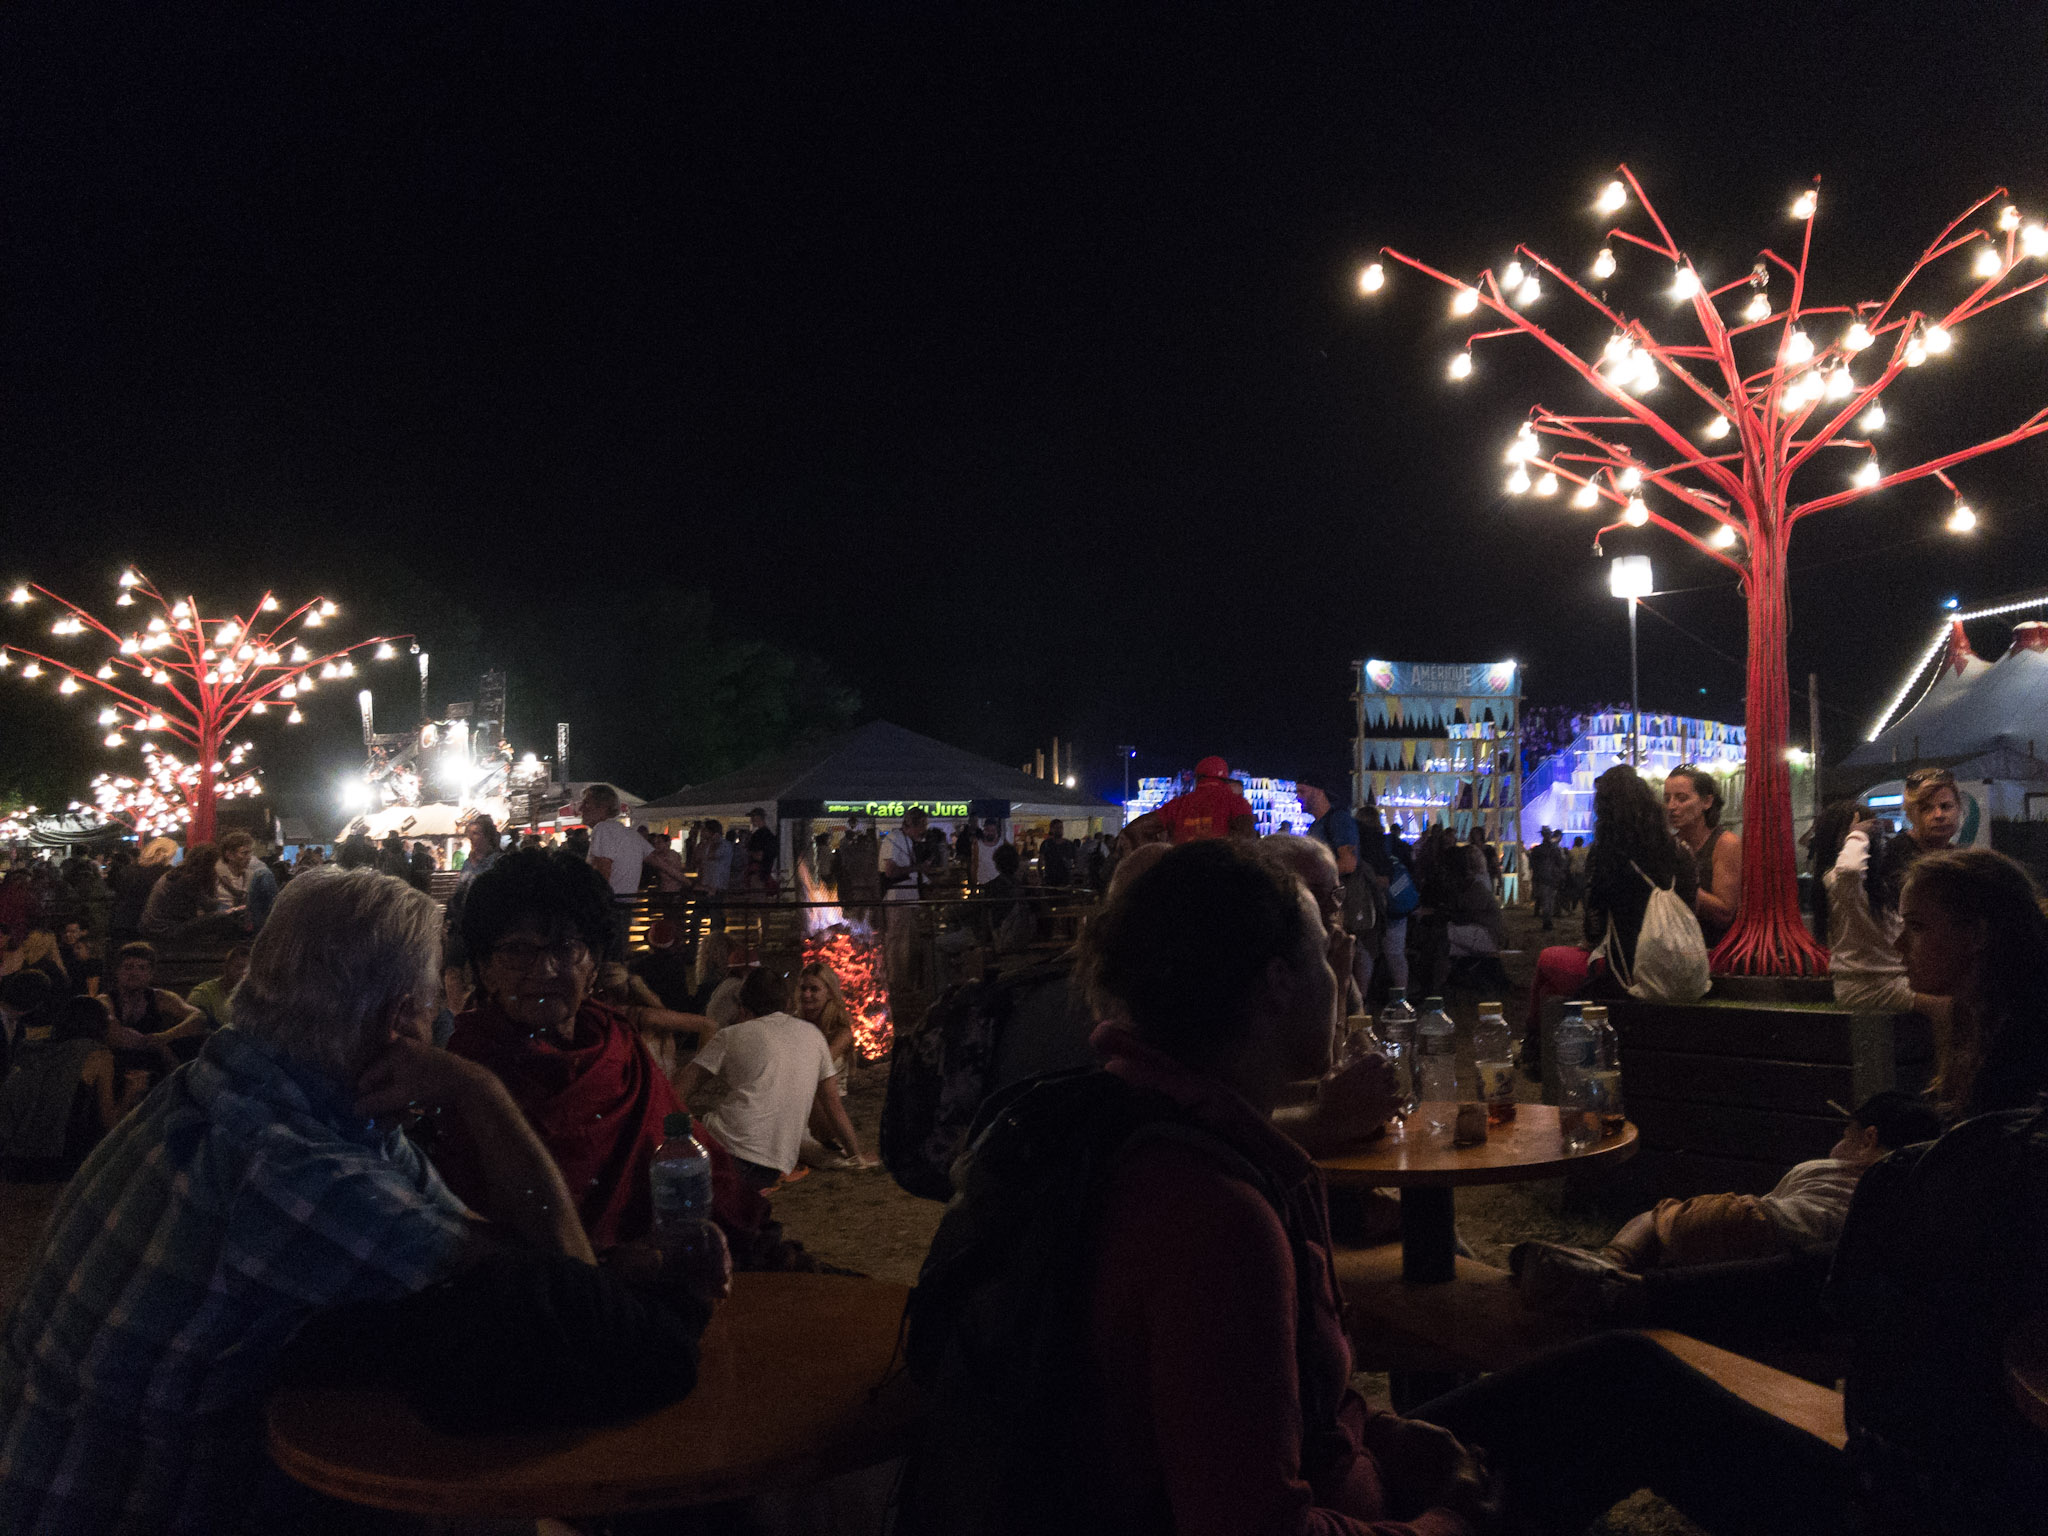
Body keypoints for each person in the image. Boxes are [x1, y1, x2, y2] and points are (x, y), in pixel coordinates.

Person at [908, 840, 1843, 1535]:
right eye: (1325, 951)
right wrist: (1448, 1527)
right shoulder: (1207, 1215)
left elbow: (1284, 1418)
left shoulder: (1126, 1119)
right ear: (1275, 984)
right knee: (1633, 1396)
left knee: (1627, 1378)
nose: (1345, 968)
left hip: (1341, 1474)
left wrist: (1389, 1437)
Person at [0, 868, 616, 1534]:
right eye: (441, 989)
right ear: (400, 1016)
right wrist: (481, 1092)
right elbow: (577, 1307)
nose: (448, 1007)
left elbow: (492, 1252)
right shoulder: (295, 1170)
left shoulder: (240, 1081)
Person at [440, 850, 796, 1266]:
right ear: (485, 968)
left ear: (593, 966)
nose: (545, 969)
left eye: (565, 948)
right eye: (518, 950)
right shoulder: (467, 1067)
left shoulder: (617, 1045)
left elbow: (692, 1157)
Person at [1511, 1090, 1943, 1314]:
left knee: (1656, 1215)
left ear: (1869, 1138)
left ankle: (1606, 1264)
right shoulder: (1905, 1194)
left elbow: (1775, 1199)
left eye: (1846, 1134)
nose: (1837, 1143)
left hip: (1753, 1218)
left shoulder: (1834, 1170)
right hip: (1791, 1262)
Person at [1524, 766, 1697, 1057]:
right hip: (1682, 963)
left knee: (1548, 961)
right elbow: (1691, 908)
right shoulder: (1681, 851)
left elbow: (1594, 928)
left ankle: (1536, 1050)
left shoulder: (1608, 854)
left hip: (1629, 972)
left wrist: (1594, 943)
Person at [677, 967, 874, 1189]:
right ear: (788, 1002)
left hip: (728, 1153)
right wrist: (856, 1155)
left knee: (684, 1126)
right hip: (773, 1166)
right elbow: (833, 1103)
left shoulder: (729, 1036)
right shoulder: (813, 1035)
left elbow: (680, 1089)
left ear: (742, 1008)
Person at [1895, 847, 2048, 1119]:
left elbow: (1994, 1150)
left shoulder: (2025, 1036)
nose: (1899, 944)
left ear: (1977, 933)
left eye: (1916, 926)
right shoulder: (1986, 1012)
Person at [1813, 801, 1941, 1017]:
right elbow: (1850, 870)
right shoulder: (1836, 880)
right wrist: (1856, 835)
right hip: (1870, 986)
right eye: (1864, 830)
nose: (1871, 835)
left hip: (1885, 981)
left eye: (1871, 830)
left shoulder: (1872, 886)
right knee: (1948, 1009)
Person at [102, 940, 207, 1085]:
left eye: (142, 968)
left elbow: (198, 1016)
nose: (134, 973)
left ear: (150, 973)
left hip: (154, 1066)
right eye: (128, 967)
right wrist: (159, 1047)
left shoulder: (160, 998)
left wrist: (165, 1037)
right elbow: (113, 1032)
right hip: (117, 1066)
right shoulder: (106, 1001)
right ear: (118, 971)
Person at [1868, 765, 1963, 914]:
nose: (1939, 815)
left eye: (1946, 806)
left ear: (1959, 808)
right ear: (1910, 815)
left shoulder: (1959, 858)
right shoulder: (1892, 857)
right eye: (1926, 809)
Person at [1666, 765, 1740, 946]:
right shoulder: (1669, 845)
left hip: (1714, 952)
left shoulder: (1725, 843)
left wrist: (1679, 883)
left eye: (1681, 798)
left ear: (1707, 802)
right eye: (1667, 799)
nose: (1671, 806)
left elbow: (1724, 913)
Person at [581, 782, 650, 951]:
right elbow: (659, 862)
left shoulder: (602, 828)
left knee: (604, 957)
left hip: (607, 908)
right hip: (623, 906)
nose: (581, 808)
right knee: (617, 957)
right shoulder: (631, 834)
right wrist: (690, 884)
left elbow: (604, 871)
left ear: (602, 807)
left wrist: (593, 905)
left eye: (586, 803)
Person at [139, 843, 243, 943]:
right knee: (224, 919)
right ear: (208, 864)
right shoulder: (186, 880)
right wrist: (233, 908)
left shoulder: (180, 873)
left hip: (154, 928)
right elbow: (210, 907)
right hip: (165, 930)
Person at [1149, 755, 1258, 843]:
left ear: (1197, 779)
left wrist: (1159, 856)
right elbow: (1246, 842)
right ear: (1226, 780)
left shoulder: (1177, 805)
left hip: (1181, 868)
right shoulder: (1238, 803)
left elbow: (1136, 829)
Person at [107, 837, 176, 940]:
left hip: (123, 922)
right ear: (168, 854)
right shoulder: (167, 874)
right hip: (149, 926)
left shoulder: (129, 870)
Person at [217, 829, 279, 930]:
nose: (249, 857)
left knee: (264, 875)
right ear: (229, 855)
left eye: (250, 853)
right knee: (263, 874)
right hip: (225, 916)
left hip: (246, 916)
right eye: (244, 853)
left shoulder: (249, 874)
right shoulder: (217, 875)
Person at [186, 942, 252, 1028]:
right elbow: (192, 1026)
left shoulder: (255, 996)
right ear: (226, 967)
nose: (243, 973)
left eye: (249, 970)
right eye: (239, 967)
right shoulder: (204, 993)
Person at [1528, 827, 1566, 933]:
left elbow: (1532, 865)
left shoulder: (1537, 850)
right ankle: (1547, 921)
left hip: (1542, 878)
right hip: (1552, 877)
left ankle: (1547, 921)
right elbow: (1560, 863)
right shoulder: (1554, 849)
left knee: (1545, 900)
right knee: (1550, 900)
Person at [744, 806, 779, 893]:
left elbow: (758, 856)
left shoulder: (759, 835)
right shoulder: (770, 835)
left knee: (756, 898)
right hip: (765, 872)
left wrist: (750, 853)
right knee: (760, 898)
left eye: (752, 818)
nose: (751, 820)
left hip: (756, 872)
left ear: (758, 818)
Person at [696, 817, 735, 893]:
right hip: (704, 883)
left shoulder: (724, 845)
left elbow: (712, 855)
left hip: (718, 885)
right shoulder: (705, 845)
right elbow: (698, 860)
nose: (702, 832)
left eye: (705, 830)